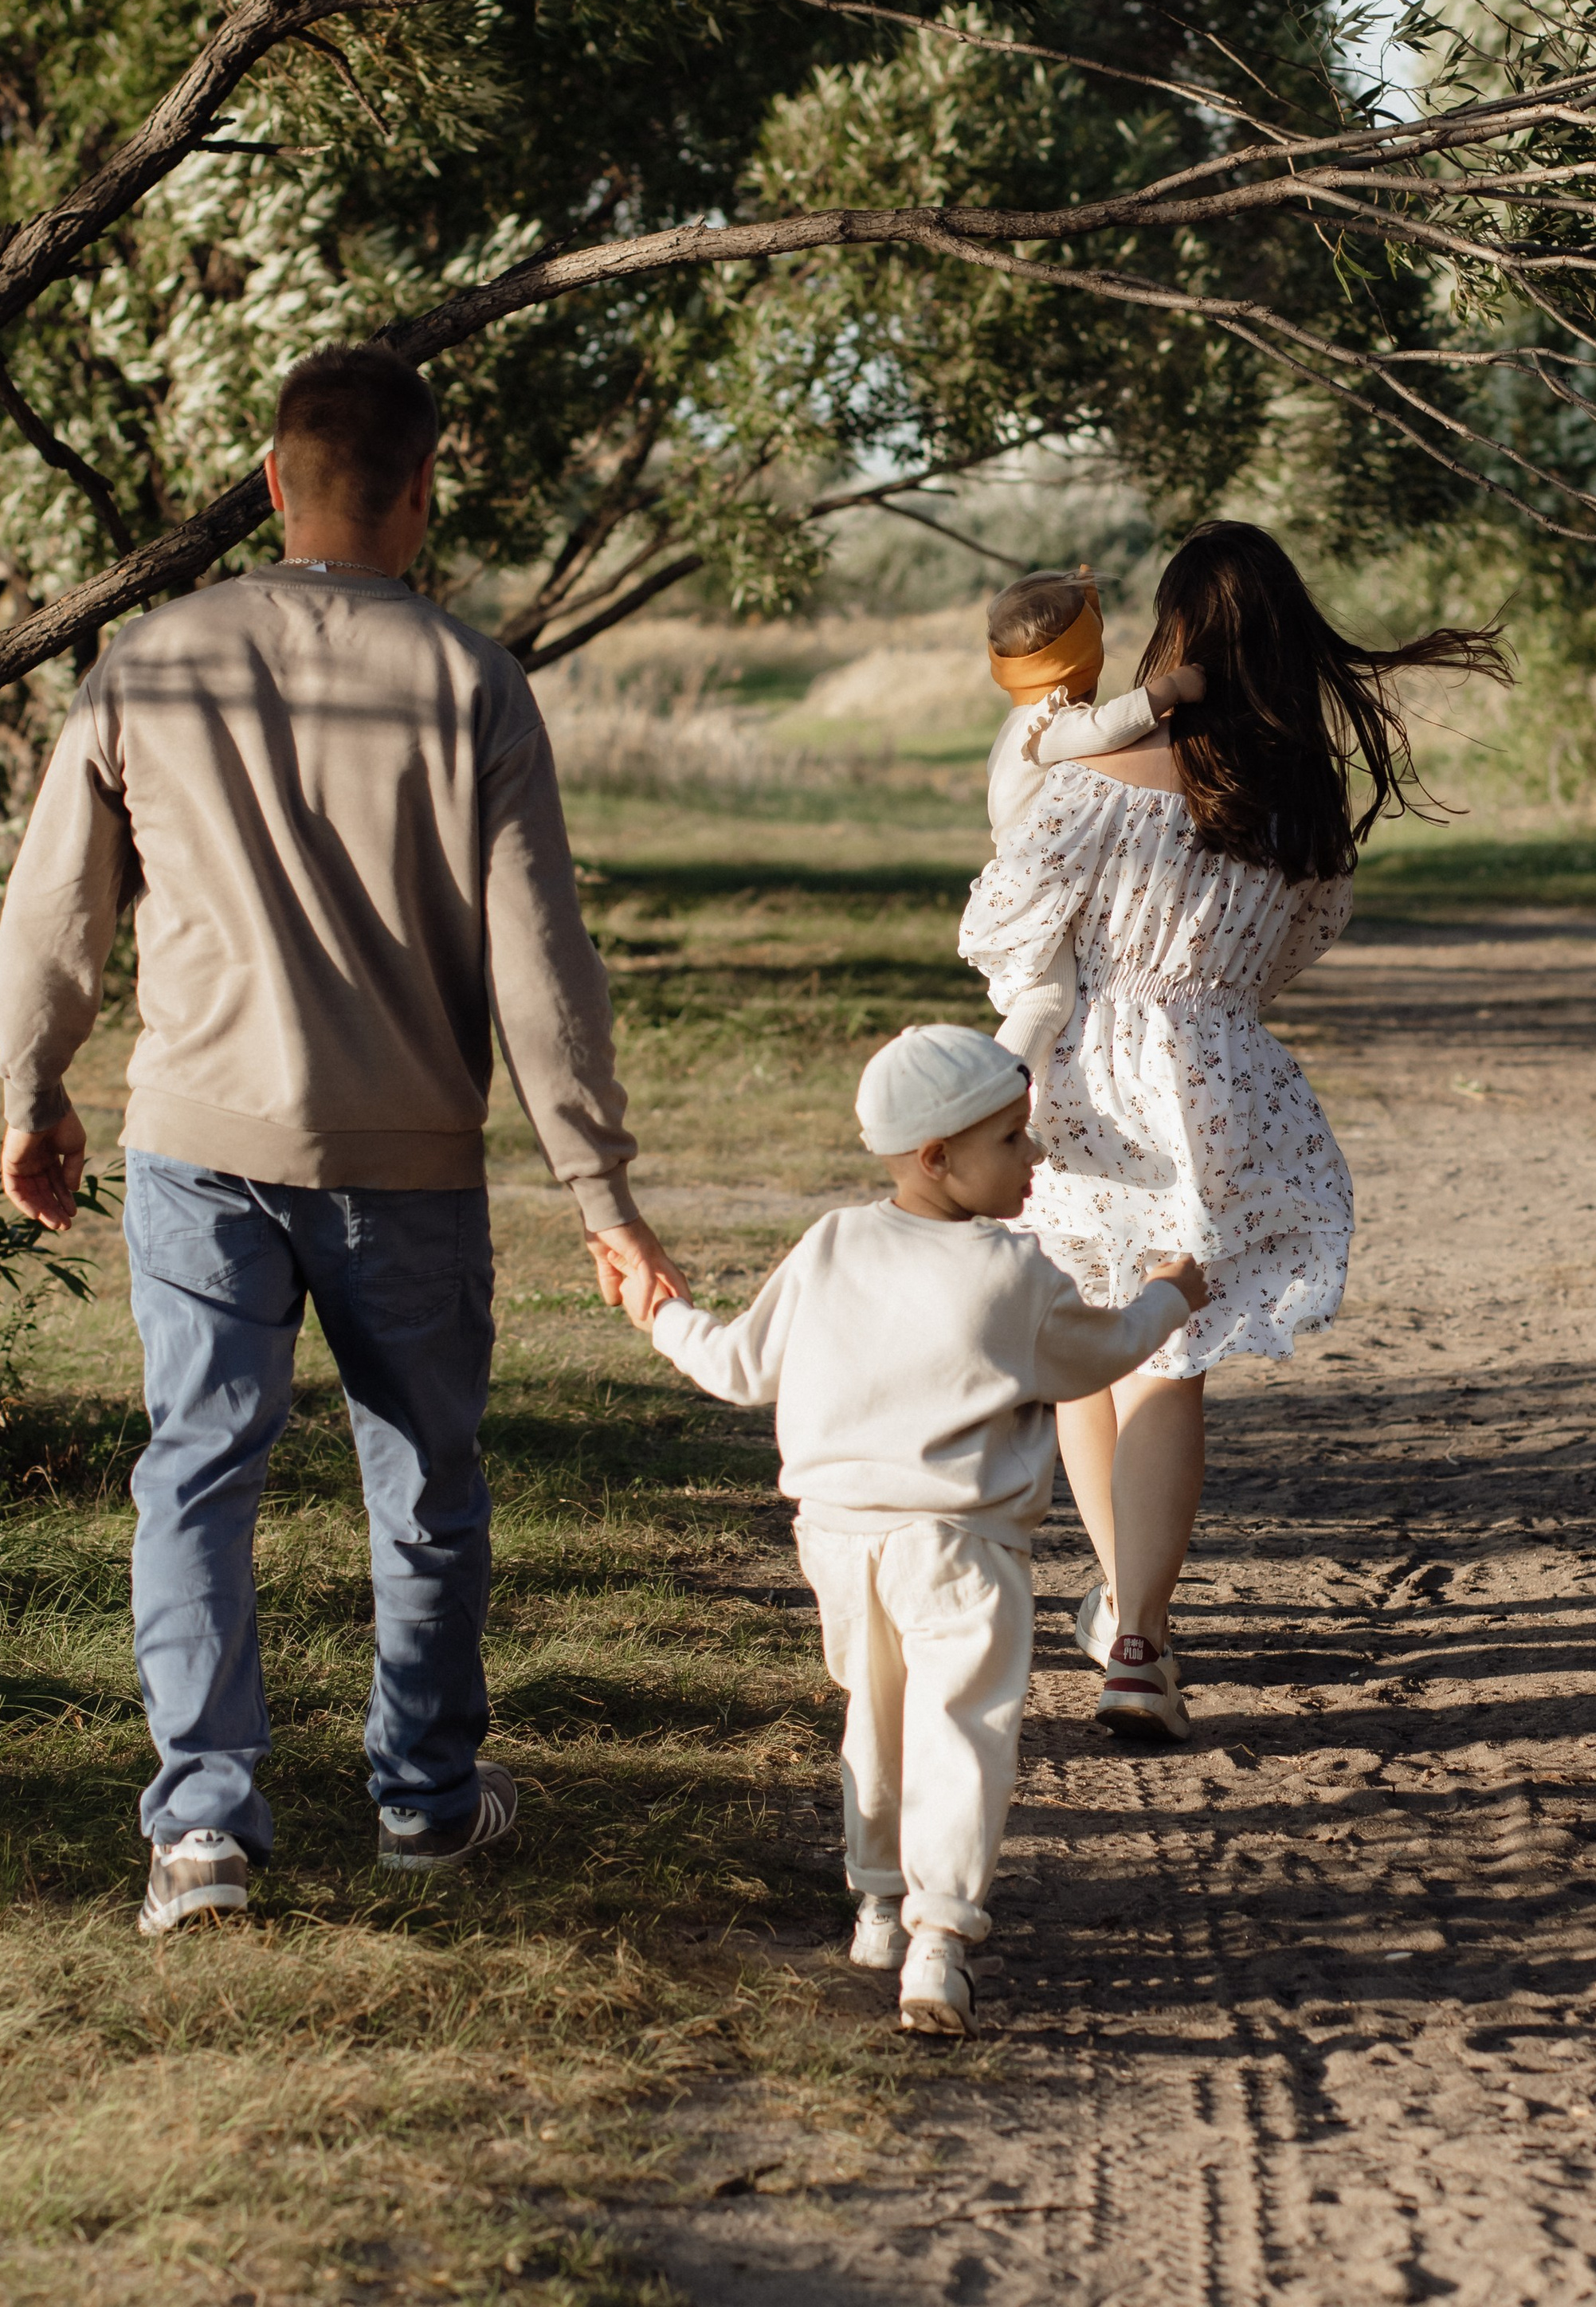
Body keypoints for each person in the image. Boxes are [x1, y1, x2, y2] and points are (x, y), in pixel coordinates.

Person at [0, 341, 684, 1932]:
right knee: (425, 1484)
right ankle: (427, 1808)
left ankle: (204, 1840)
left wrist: (35, 1089)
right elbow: (538, 959)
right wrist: (599, 1184)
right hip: (406, 1160)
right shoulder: (469, 681)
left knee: (197, 1477)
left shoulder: (148, 661)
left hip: (193, 1147)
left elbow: (55, 911)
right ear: (423, 493)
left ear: (267, 475)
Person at [959, 520, 1507, 1743]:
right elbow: (1307, 941)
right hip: (1219, 1082)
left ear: (1170, 631)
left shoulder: (1093, 781)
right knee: (1173, 1349)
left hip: (1093, 1084)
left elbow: (1004, 917)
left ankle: (1125, 1612)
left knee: (1092, 1349)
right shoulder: (1297, 794)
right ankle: (1138, 1635)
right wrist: (1212, 1008)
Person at [634, 1021, 1206, 2037]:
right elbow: (1104, 1355)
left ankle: (874, 1910)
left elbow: (736, 1367)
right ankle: (940, 1937)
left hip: (838, 1542)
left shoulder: (829, 1246)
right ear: (938, 1156)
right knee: (961, 1732)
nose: (1035, 1161)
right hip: (959, 1549)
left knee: (877, 1719)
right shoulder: (1013, 1276)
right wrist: (1169, 1296)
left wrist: (659, 1314)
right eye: (1011, 1142)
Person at [981, 569, 1206, 1077]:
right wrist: (1171, 689)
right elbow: (1107, 728)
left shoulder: (1023, 724)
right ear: (1085, 658)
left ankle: (1015, 1109)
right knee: (1047, 1001)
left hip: (1031, 881)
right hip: (1031, 886)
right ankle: (991, 1099)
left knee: (1050, 1001)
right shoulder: (1047, 728)